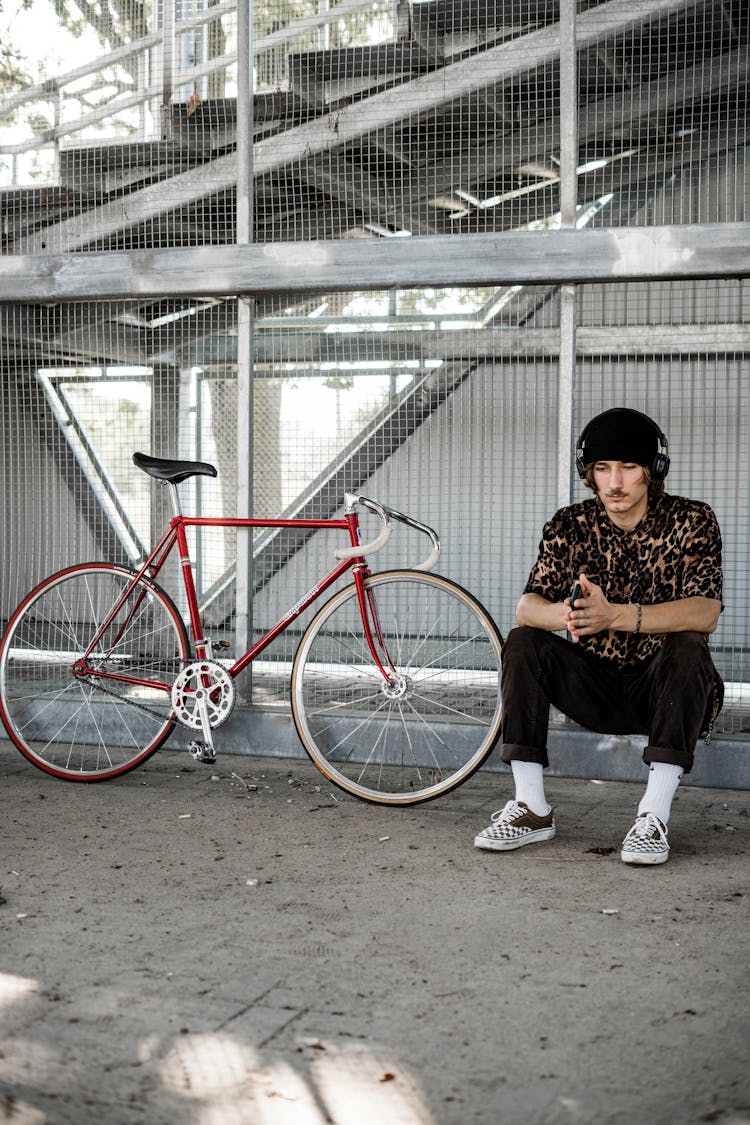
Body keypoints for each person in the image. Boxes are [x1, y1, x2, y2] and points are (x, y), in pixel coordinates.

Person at [475, 407, 724, 866]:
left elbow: (706, 611)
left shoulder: (692, 520)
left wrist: (616, 616)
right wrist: (568, 614)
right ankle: (531, 807)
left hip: (661, 689)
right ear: (588, 473)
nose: (615, 482)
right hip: (592, 685)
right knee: (524, 640)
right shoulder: (569, 524)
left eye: (629, 467)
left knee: (689, 645)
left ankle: (652, 816)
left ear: (652, 472)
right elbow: (527, 607)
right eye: (603, 468)